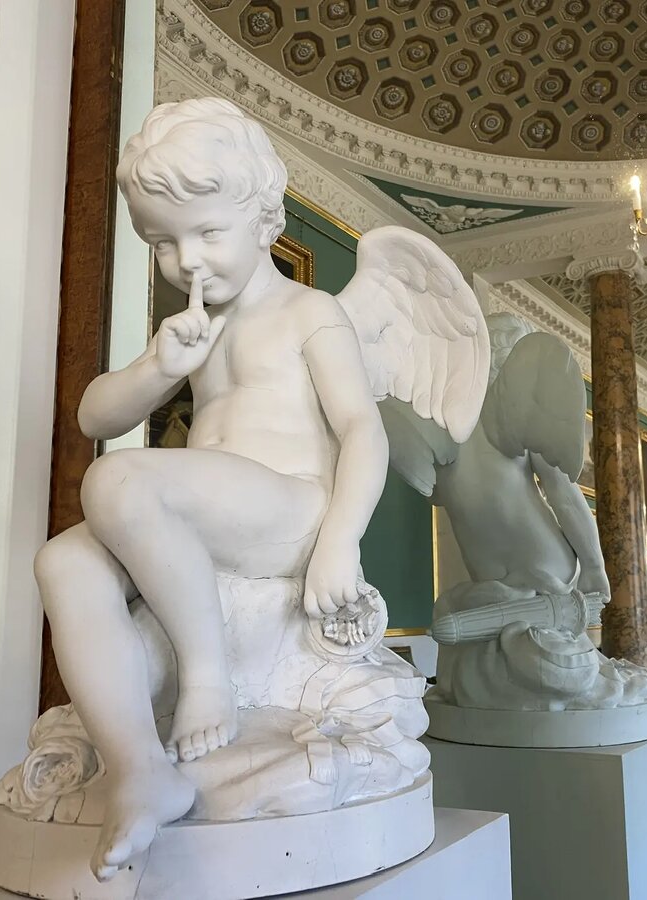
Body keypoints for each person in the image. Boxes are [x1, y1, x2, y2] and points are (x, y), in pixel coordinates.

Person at [34, 98, 390, 880]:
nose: (186, 262)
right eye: (163, 243)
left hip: (289, 510)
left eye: (207, 234)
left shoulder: (310, 311)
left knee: (119, 478)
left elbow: (363, 430)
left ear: (265, 221)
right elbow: (94, 415)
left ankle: (206, 676)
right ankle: (139, 769)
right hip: (209, 517)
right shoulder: (195, 330)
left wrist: (339, 541)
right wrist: (159, 366)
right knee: (64, 562)